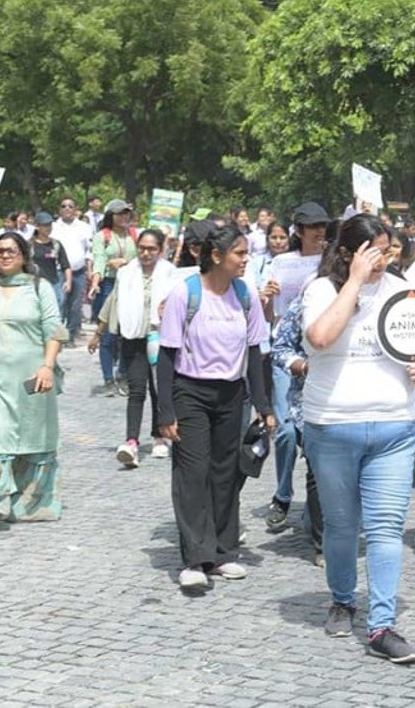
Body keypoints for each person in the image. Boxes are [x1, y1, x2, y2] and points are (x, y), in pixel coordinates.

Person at [302, 215, 415, 663]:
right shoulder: (321, 290)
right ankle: (342, 598)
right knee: (341, 526)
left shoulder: (402, 292)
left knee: (386, 528)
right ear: (347, 252)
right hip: (332, 426)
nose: (383, 260)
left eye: (387, 250)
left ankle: (381, 625)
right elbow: (319, 338)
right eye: (373, 251)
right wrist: (354, 283)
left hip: (394, 426)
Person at [156, 226, 274, 589]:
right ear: (217, 256)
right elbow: (166, 355)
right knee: (193, 472)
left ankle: (222, 551)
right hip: (189, 392)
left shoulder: (245, 295)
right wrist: (165, 412)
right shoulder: (185, 293)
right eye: (239, 253)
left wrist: (263, 404)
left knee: (226, 472)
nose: (245, 259)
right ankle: (195, 557)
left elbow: (255, 352)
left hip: (231, 394)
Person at [262, 203, 331, 534]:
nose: (319, 231)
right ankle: (282, 495)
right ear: (299, 231)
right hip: (287, 353)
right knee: (287, 431)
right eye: (312, 226)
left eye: (323, 225)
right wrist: (266, 297)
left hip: (323, 351)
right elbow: (269, 317)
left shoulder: (333, 262)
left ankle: (317, 507)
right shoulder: (280, 262)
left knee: (319, 431)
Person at [0, 232, 68, 522]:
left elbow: (53, 330)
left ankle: (27, 502)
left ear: (24, 255)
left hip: (32, 379)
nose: (4, 256)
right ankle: (0, 500)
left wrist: (47, 366)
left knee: (31, 435)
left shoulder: (40, 288)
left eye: (10, 251)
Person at [93, 229, 177, 468]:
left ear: (160, 250)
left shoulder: (170, 273)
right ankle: (131, 441)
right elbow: (113, 302)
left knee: (159, 389)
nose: (146, 253)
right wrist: (98, 333)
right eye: (142, 248)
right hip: (133, 337)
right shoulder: (126, 273)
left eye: (151, 248)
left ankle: (159, 434)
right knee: (137, 389)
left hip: (161, 337)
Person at [88, 200, 139, 396]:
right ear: (111, 216)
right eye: (120, 214)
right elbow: (99, 260)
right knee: (108, 333)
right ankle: (108, 378)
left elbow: (143, 258)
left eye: (126, 213)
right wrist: (95, 282)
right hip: (109, 284)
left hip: (131, 286)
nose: (124, 217)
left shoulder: (135, 234)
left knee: (128, 332)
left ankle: (123, 374)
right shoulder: (103, 236)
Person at [52, 197, 94, 345]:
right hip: (59, 271)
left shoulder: (84, 227)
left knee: (76, 306)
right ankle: (58, 336)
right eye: (64, 206)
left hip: (79, 271)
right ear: (59, 210)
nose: (67, 209)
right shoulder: (54, 227)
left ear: (75, 209)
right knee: (60, 302)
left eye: (71, 206)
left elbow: (89, 250)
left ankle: (70, 336)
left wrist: (89, 270)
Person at [29, 212, 72, 316]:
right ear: (37, 226)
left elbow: (66, 265)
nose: (48, 228)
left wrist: (68, 282)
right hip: (34, 285)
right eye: (45, 225)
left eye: (49, 225)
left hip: (54, 283)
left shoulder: (56, 244)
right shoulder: (29, 245)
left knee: (57, 311)